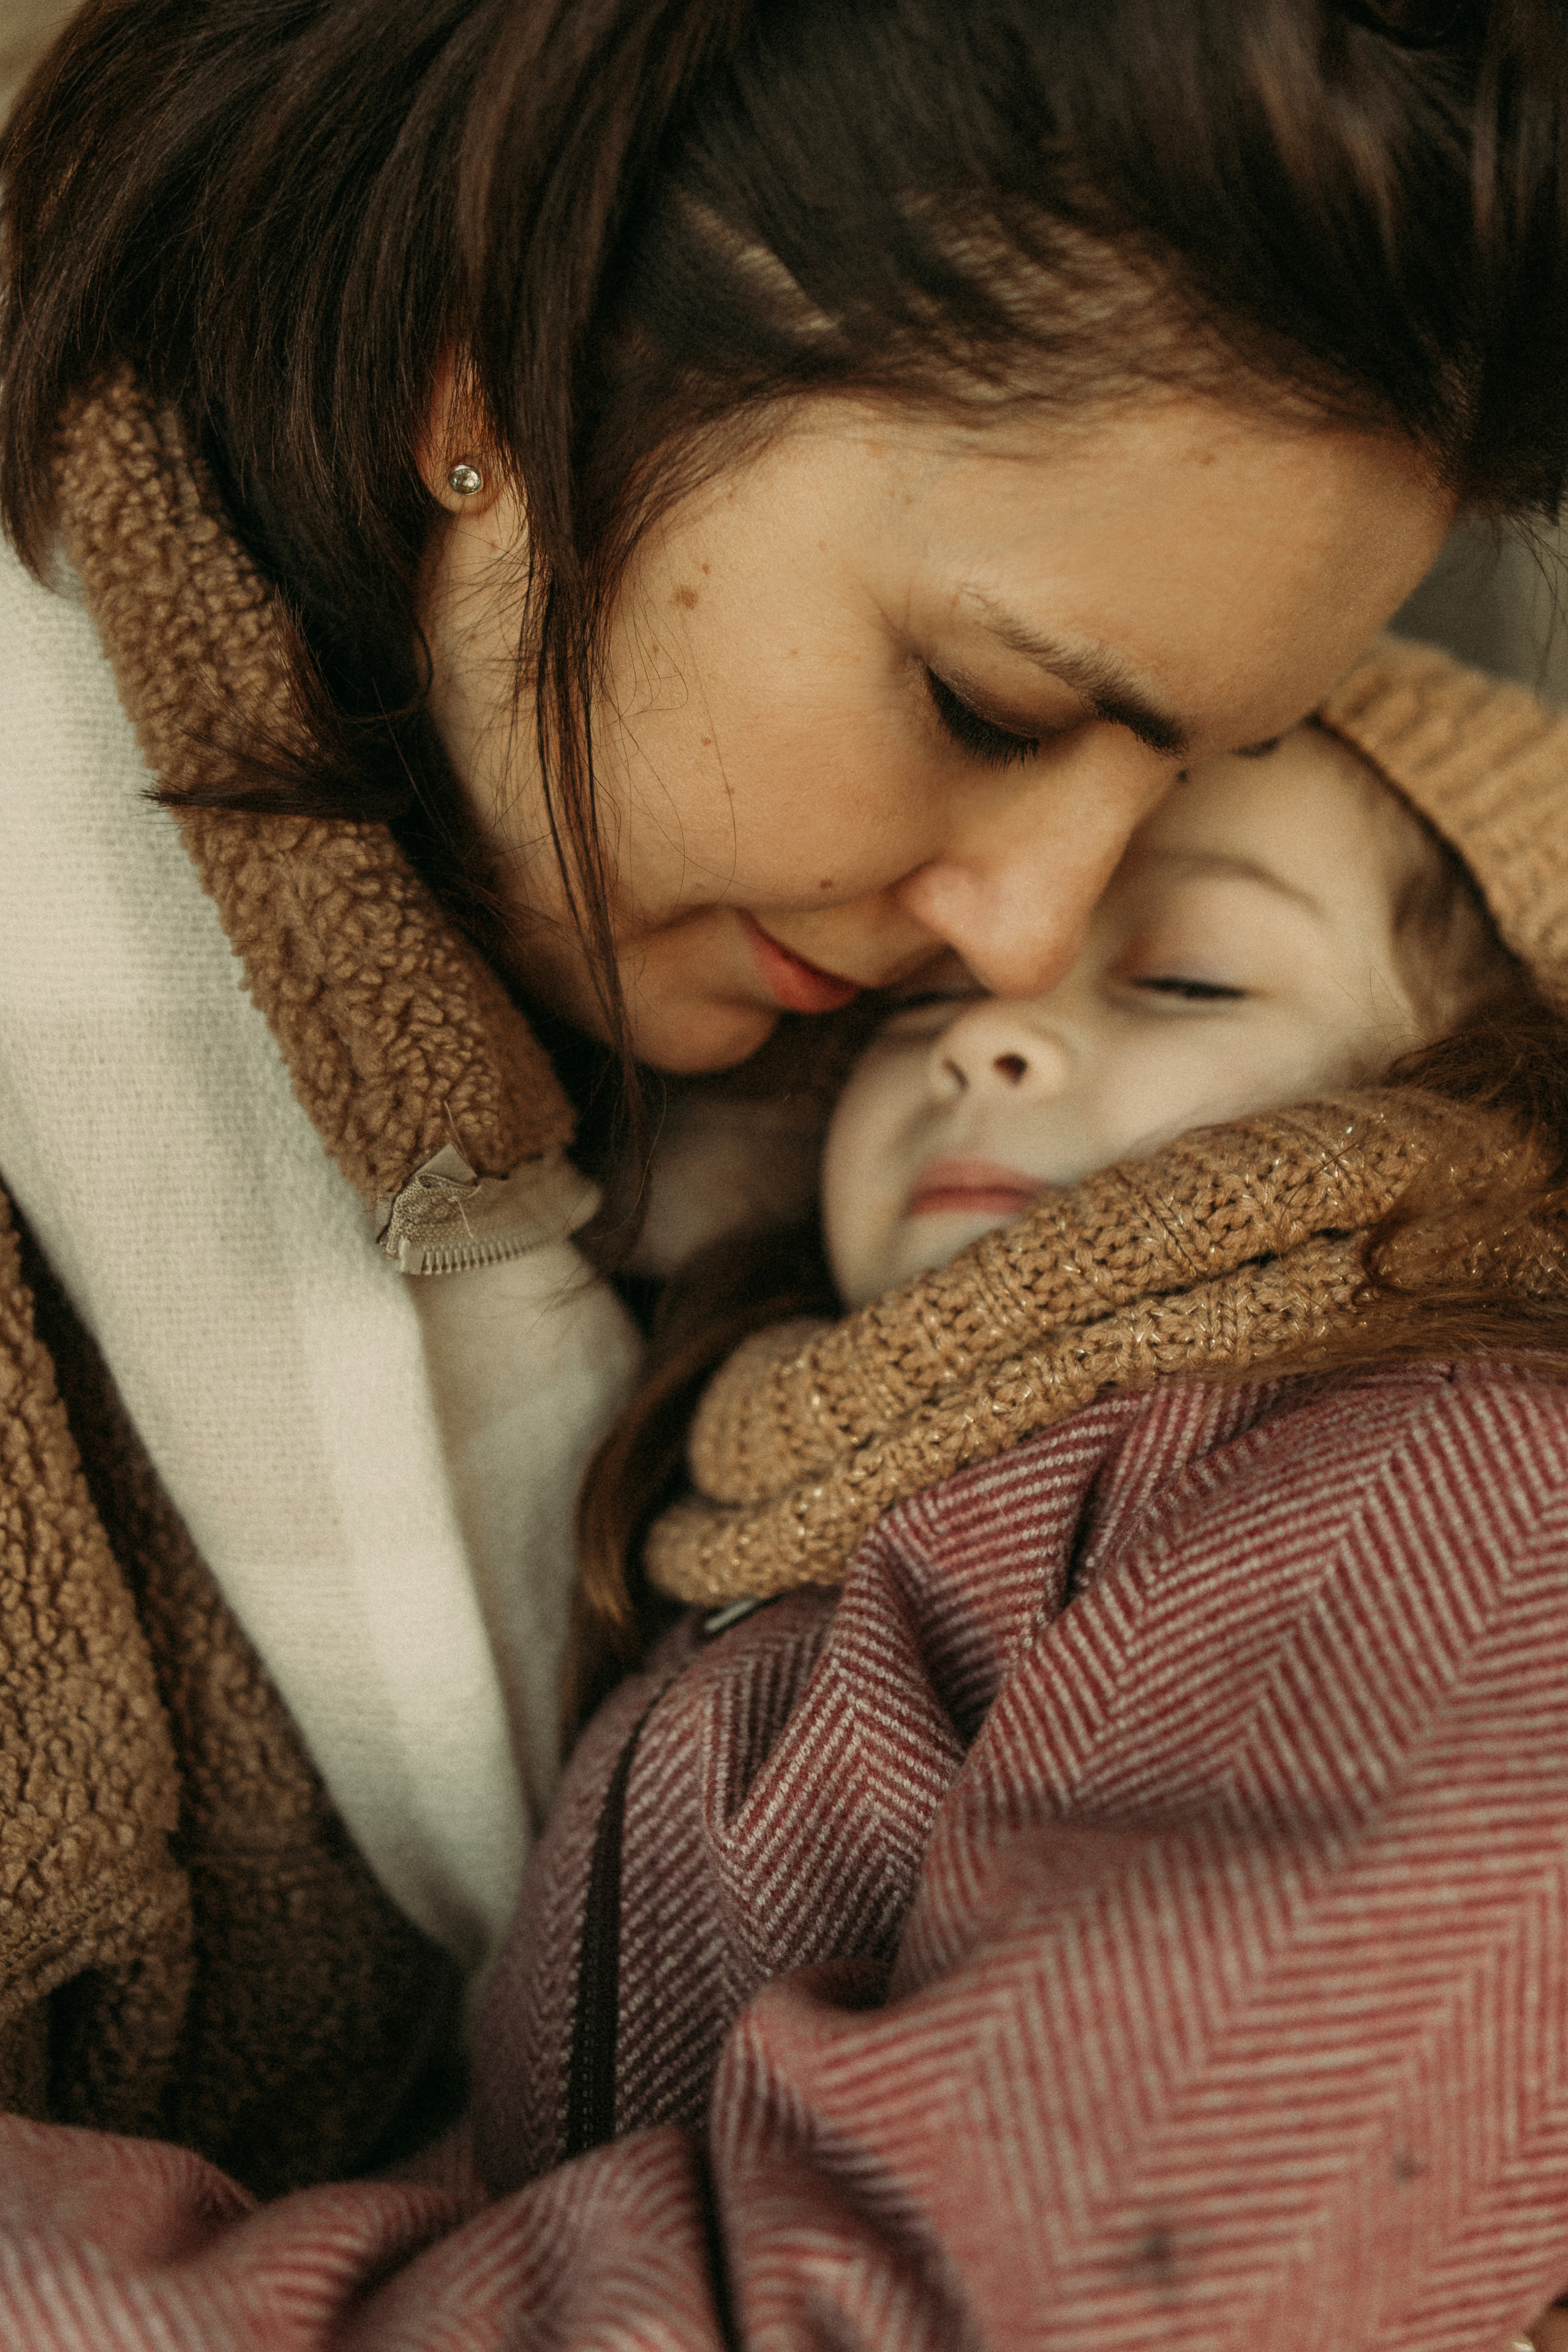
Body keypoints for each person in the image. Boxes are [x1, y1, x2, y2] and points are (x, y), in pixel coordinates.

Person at [2, 0, 1568, 2341]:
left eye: (1185, 812)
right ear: (483, 395)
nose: (1016, 940)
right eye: (992, 706)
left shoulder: (1414, 1484)